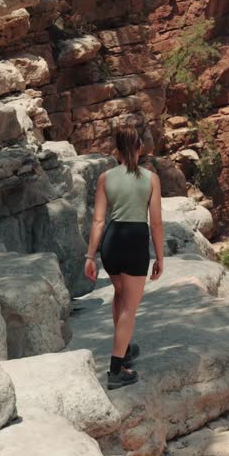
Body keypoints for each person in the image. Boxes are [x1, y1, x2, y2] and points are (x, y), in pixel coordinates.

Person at [83, 125, 164, 390]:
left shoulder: (106, 177)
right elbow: (156, 223)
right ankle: (116, 370)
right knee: (130, 306)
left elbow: (97, 221)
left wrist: (90, 256)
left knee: (119, 294)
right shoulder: (150, 178)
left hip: (112, 241)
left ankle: (125, 347)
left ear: (116, 150)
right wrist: (160, 256)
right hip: (134, 241)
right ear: (140, 148)